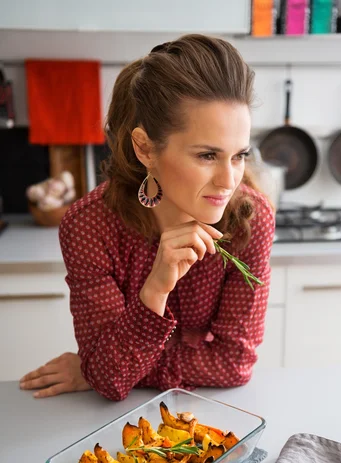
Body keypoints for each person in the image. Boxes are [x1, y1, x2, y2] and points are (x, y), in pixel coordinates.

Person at [19, 34, 275, 401]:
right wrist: (155, 289)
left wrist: (100, 367)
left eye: (239, 155)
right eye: (206, 155)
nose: (229, 181)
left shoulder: (251, 220)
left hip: (212, 413)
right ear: (145, 148)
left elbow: (234, 364)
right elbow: (109, 381)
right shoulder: (91, 227)